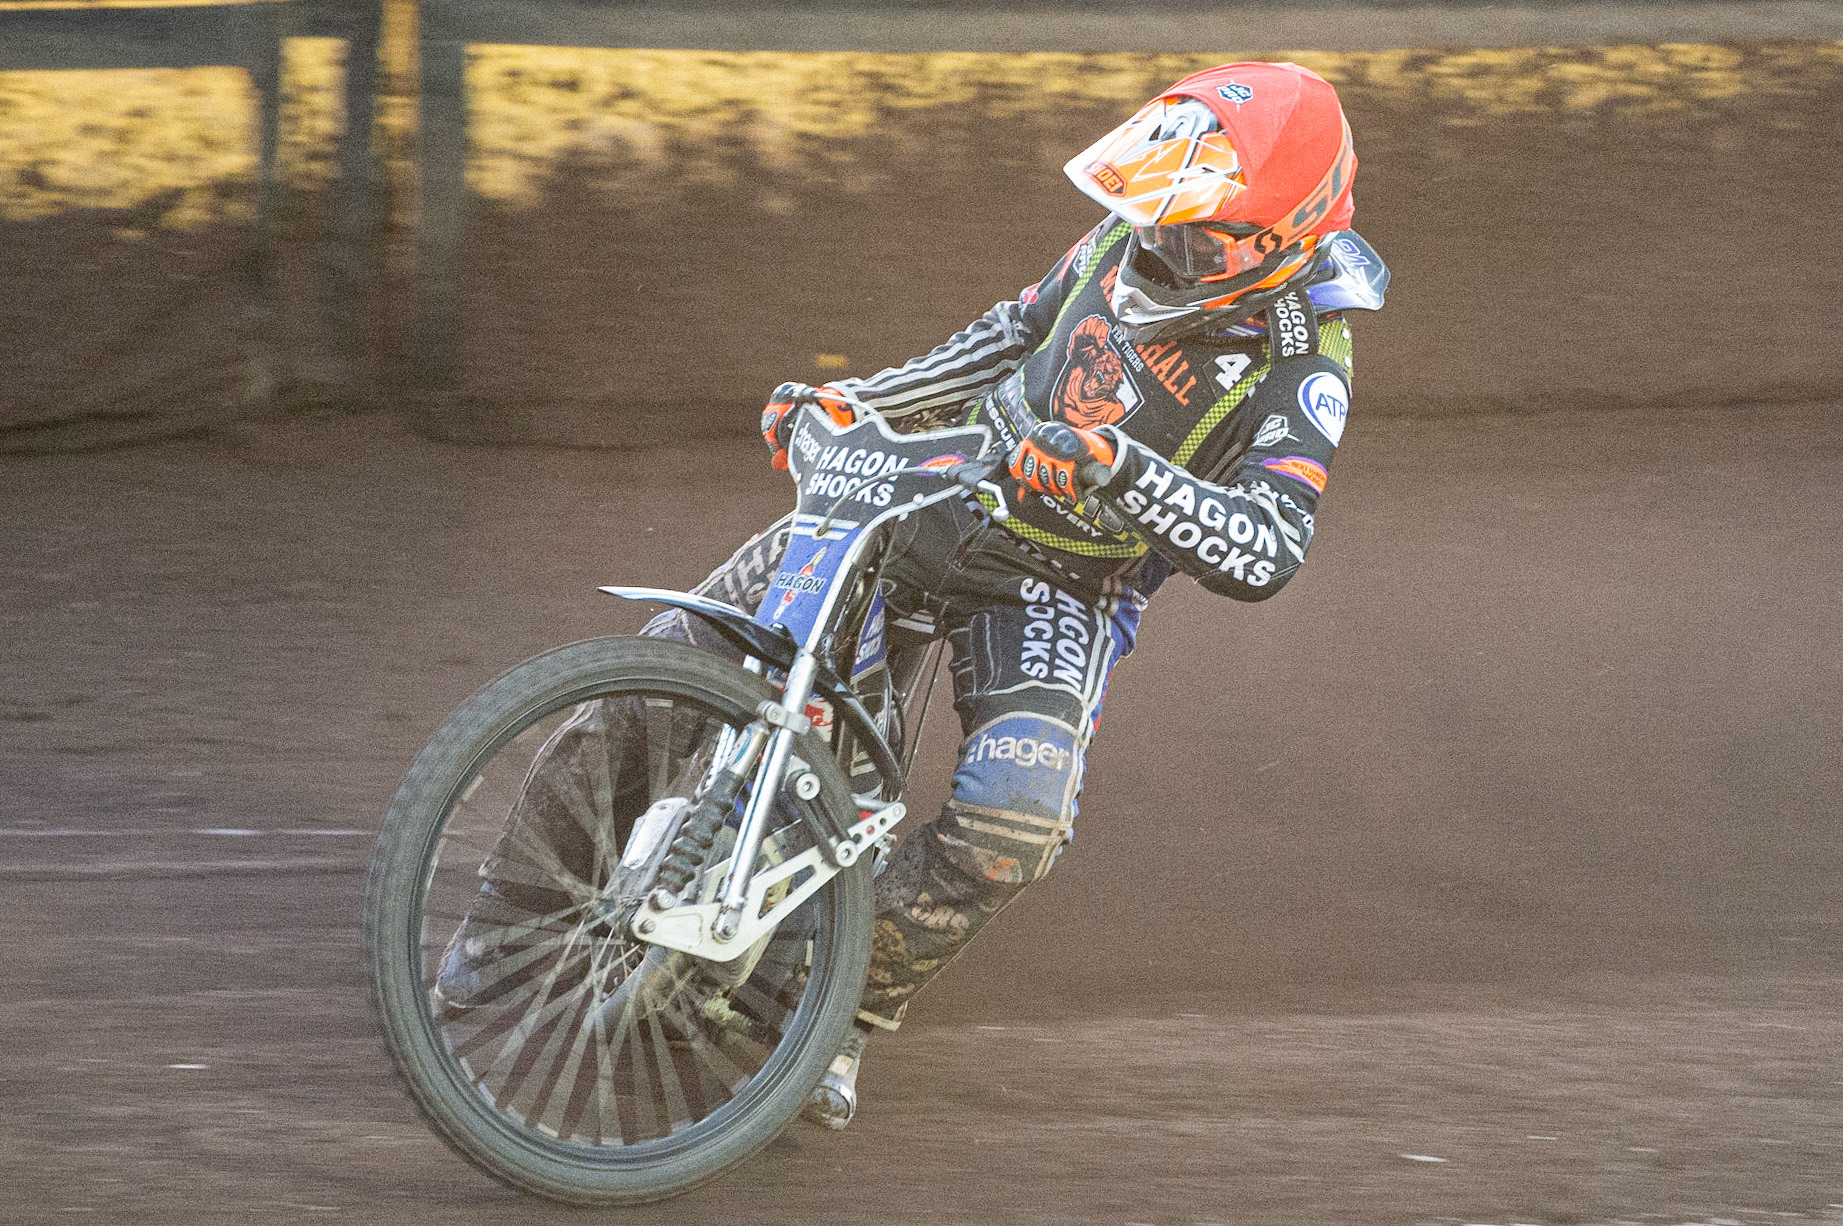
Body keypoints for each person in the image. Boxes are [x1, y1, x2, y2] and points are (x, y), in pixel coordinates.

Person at [437, 60, 1388, 1132]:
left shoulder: (1305, 351)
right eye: (1160, 217)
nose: (1162, 243)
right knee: (667, 659)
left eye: (1197, 235)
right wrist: (863, 396)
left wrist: (1117, 465)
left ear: (1279, 237)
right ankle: (508, 925)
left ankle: (838, 1005)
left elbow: (1268, 548)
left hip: (1059, 575)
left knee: (1011, 825)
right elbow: (1014, 328)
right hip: (932, 486)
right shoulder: (1130, 234)